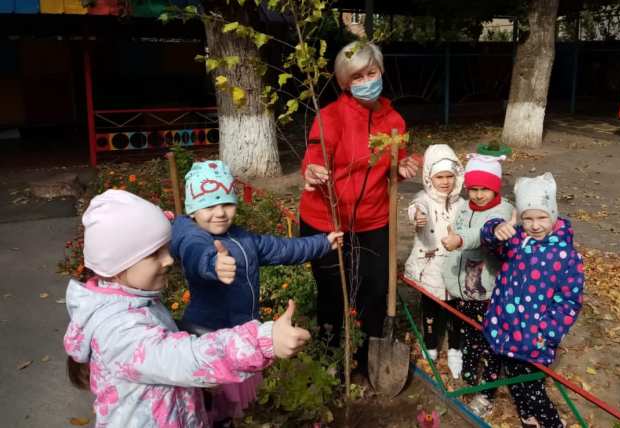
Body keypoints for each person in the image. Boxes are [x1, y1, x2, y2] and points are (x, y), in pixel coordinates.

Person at [64, 190, 311, 428]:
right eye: (154, 254)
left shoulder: (132, 299)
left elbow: (163, 343)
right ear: (118, 266)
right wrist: (263, 340)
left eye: (166, 248)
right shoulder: (119, 331)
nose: (169, 260)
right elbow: (186, 357)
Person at [170, 160, 342, 425]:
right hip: (208, 336)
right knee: (209, 397)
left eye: (226, 204)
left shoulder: (243, 239)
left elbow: (282, 249)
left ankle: (226, 420)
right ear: (193, 210)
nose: (220, 213)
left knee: (229, 403)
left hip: (240, 334)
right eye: (209, 206)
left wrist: (322, 243)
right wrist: (212, 264)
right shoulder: (194, 237)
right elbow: (193, 252)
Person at [299, 41, 419, 372]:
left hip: (373, 220)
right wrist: (312, 170)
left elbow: (394, 164)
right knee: (332, 293)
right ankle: (329, 360)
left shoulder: (394, 121)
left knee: (376, 290)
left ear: (381, 72)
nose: (366, 81)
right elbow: (315, 154)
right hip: (327, 220)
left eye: (371, 73)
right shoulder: (331, 117)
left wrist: (403, 166)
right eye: (357, 76)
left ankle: (369, 359)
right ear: (345, 82)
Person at [480, 173, 584, 428]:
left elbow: (569, 301)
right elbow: (490, 242)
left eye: (542, 218)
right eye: (528, 218)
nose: (535, 225)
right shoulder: (516, 240)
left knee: (532, 387)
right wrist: (495, 229)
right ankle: (528, 417)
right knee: (514, 379)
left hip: (533, 337)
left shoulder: (565, 255)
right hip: (504, 327)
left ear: (553, 215)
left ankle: (551, 423)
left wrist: (545, 332)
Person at [440, 153, 514, 415]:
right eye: (474, 189)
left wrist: (460, 240)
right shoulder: (465, 207)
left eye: (485, 189)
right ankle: (470, 378)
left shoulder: (503, 211)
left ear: (496, 188)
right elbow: (457, 229)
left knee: (490, 344)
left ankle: (486, 393)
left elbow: (484, 234)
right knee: (470, 336)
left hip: (488, 292)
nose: (479, 195)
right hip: (465, 290)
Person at [403, 144, 466, 376]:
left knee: (456, 311)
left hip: (456, 267)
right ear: (429, 177)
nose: (445, 182)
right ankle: (430, 344)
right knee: (430, 308)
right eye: (439, 177)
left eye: (449, 176)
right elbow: (416, 208)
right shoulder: (424, 200)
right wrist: (417, 216)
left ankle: (455, 349)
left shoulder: (462, 204)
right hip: (430, 266)